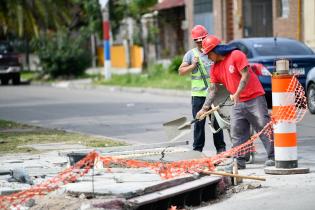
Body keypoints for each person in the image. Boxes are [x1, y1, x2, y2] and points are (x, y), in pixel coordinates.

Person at [196, 35, 275, 169]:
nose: (207, 57)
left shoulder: (236, 55)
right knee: (237, 130)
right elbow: (213, 89)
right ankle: (239, 161)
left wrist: (237, 93)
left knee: (262, 125)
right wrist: (204, 108)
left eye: (208, 53)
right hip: (238, 102)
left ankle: (273, 156)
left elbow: (245, 74)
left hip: (254, 97)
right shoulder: (215, 68)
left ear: (215, 51)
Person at [178, 25, 226, 153]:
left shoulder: (213, 51)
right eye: (197, 40)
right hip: (198, 95)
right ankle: (197, 150)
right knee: (199, 123)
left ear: (206, 37)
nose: (200, 42)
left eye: (202, 39)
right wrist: (192, 65)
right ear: (194, 41)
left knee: (217, 123)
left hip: (214, 94)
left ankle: (221, 149)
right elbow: (181, 71)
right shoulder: (191, 54)